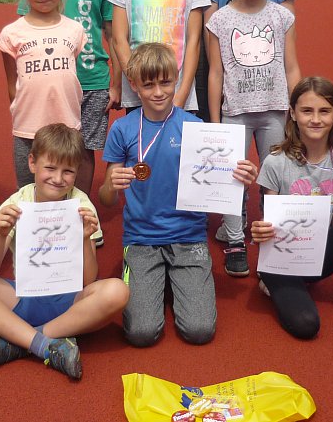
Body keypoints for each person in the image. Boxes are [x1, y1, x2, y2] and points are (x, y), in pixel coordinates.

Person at [100, 43, 258, 347]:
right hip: (142, 238)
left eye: (166, 82)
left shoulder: (196, 128)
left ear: (177, 79)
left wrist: (241, 178)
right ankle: (158, 279)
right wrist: (111, 186)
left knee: (199, 331)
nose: (159, 92)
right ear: (133, 84)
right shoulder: (122, 129)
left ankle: (173, 279)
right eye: (148, 85)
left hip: (188, 235)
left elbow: (219, 185)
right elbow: (107, 199)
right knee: (141, 334)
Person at [0, 124, 129, 380]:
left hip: (71, 303)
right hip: (23, 297)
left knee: (118, 291)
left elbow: (89, 280)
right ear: (32, 163)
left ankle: (23, 340)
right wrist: (1, 234)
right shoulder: (16, 203)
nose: (58, 178)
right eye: (50, 168)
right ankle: (45, 343)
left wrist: (85, 238)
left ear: (77, 172)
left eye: (68, 171)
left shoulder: (81, 205)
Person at [251, 76, 333, 339]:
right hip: (282, 259)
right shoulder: (275, 163)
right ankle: (271, 282)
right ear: (293, 114)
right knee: (306, 325)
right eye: (307, 111)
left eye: (324, 111)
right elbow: (269, 224)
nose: (315, 119)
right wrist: (260, 232)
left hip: (318, 252)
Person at [205, 0, 301, 278]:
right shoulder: (219, 20)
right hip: (235, 112)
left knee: (276, 175)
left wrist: (295, 111)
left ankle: (273, 236)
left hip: (275, 111)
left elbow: (292, 67)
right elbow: (215, 73)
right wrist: (215, 120)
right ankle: (234, 240)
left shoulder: (282, 17)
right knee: (233, 178)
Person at [16, 0, 120, 200]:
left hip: (93, 81)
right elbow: (23, 34)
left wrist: (116, 84)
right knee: (48, 147)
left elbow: (112, 35)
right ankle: (45, 207)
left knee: (84, 150)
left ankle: (79, 207)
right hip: (53, 81)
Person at [0, 0, 87, 188]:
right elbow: (12, 85)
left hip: (66, 128)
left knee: (64, 190)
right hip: (28, 130)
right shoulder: (12, 34)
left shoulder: (74, 30)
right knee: (29, 192)